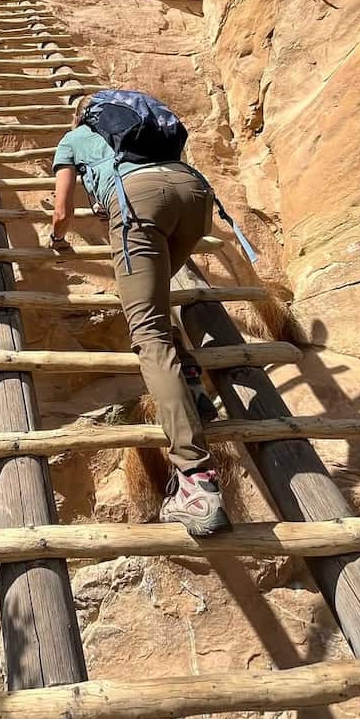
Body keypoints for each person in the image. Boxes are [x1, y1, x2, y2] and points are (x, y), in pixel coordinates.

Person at [49, 92, 232, 536]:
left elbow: (61, 210)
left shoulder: (73, 138)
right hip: (193, 193)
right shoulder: (146, 131)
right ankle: (194, 391)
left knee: (148, 334)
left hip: (138, 201)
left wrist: (57, 241)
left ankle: (196, 480)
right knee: (156, 303)